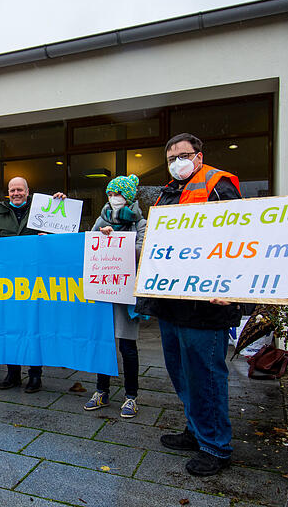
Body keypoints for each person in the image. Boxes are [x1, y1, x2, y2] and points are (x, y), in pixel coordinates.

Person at [144, 133, 243, 477]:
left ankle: (216, 446)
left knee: (206, 374)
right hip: (172, 302)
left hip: (206, 303)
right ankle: (196, 429)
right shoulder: (168, 192)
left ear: (199, 156)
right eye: (171, 158)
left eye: (183, 155)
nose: (177, 162)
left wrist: (230, 283)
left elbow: (237, 237)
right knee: (182, 371)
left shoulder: (218, 185)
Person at [82, 174, 147, 418]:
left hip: (125, 292)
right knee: (104, 342)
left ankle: (131, 396)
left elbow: (144, 251)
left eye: (117, 194)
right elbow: (89, 246)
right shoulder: (101, 220)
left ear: (128, 196)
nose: (113, 198)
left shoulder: (140, 223)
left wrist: (119, 241)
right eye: (110, 194)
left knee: (128, 346)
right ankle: (101, 391)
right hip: (103, 292)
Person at [0, 176, 44, 393]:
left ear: (28, 191)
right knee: (10, 327)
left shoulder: (41, 212)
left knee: (32, 328)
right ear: (8, 193)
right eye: (12, 190)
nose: (16, 193)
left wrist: (60, 203)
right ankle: (13, 373)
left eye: (20, 189)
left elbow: (58, 236)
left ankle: (35, 375)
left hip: (34, 282)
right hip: (9, 284)